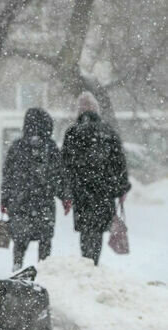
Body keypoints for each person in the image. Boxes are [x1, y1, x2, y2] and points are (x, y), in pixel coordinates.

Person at [61, 91, 130, 265]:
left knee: (86, 231)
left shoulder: (72, 133)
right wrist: (122, 189)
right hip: (103, 193)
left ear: (79, 111)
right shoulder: (108, 132)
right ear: (97, 110)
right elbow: (119, 163)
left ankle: (87, 261)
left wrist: (66, 192)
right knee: (97, 231)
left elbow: (65, 166)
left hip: (81, 193)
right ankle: (93, 262)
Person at [0, 108, 65, 271]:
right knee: (45, 240)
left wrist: (5, 199)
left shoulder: (17, 147)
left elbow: (8, 175)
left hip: (20, 202)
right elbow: (59, 175)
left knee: (20, 240)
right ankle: (43, 269)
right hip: (44, 202)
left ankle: (17, 266)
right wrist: (64, 196)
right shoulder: (50, 147)